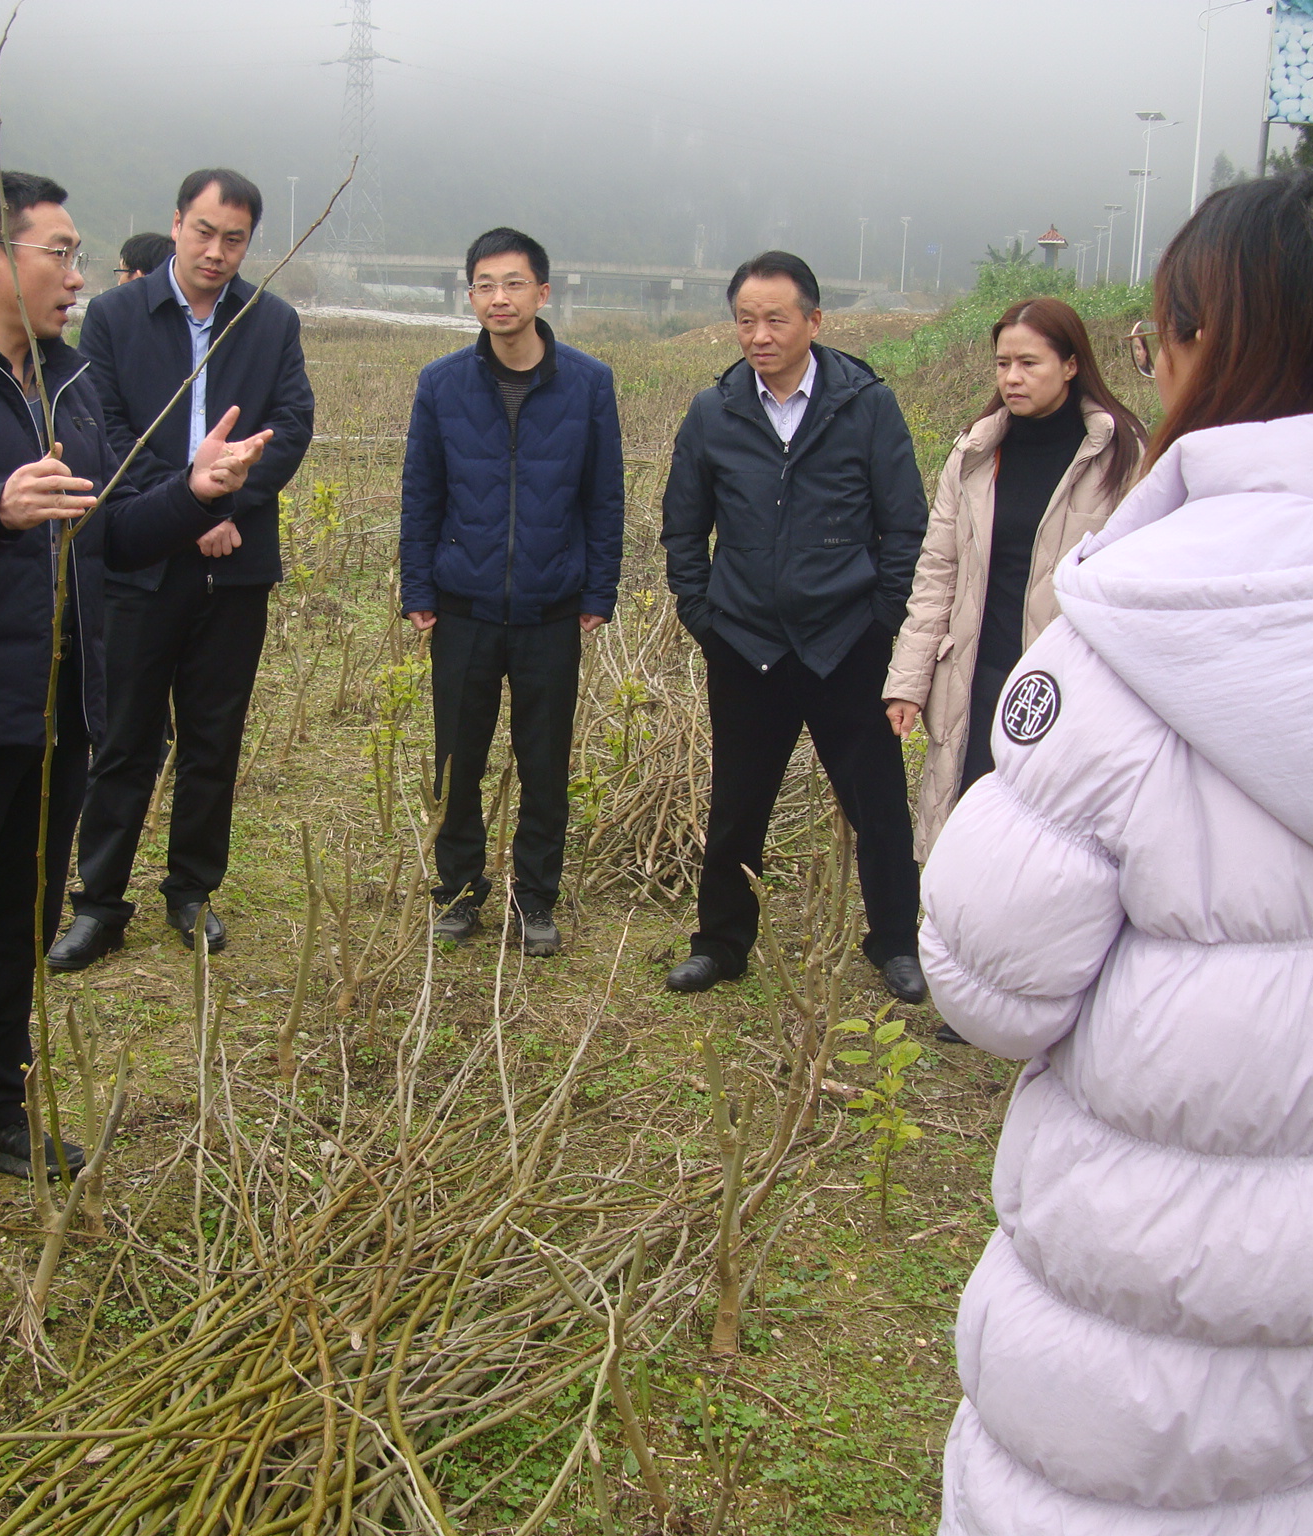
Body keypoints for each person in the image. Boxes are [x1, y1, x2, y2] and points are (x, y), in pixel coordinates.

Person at [925, 171, 1313, 1533]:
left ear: (1200, 347)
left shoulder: (1131, 630)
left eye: (1155, 343)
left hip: (1149, 1332)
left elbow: (989, 986)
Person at [0, 172, 271, 1260]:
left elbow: (116, 531)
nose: (80, 278)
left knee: (15, 928)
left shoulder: (70, 386)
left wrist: (197, 493)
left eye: (79, 257)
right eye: (59, 254)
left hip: (59, 703)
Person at [47, 169, 313, 967]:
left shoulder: (271, 323)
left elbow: (292, 425)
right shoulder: (116, 316)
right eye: (204, 231)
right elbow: (103, 430)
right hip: (139, 562)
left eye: (234, 238)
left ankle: (191, 892)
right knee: (123, 737)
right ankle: (98, 903)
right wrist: (184, 506)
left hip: (236, 569)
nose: (216, 251)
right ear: (176, 224)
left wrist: (224, 507)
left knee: (212, 738)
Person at [660, 251, 928, 1001]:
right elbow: (683, 529)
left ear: (815, 320)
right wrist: (703, 615)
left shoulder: (865, 404)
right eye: (746, 319)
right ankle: (720, 944)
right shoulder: (715, 412)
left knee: (876, 801)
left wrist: (881, 618)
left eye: (777, 318)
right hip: (746, 643)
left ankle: (896, 943)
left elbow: (905, 525)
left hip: (848, 642)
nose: (759, 334)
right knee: (737, 802)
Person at [884, 298, 1146, 1045]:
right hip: (976, 671)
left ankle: (1062, 990)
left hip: (1070, 685)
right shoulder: (974, 452)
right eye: (1003, 363)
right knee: (970, 828)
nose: (1013, 377)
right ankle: (974, 997)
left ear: (1072, 364)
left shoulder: (1123, 456)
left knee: (1061, 841)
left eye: (1030, 362)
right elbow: (936, 572)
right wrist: (908, 679)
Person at [399, 226, 625, 956]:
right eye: (485, 286)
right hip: (462, 605)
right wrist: (417, 584)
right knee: (457, 760)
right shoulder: (440, 384)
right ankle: (460, 894)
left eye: (514, 283)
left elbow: (605, 497)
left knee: (544, 762)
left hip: (549, 608)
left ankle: (535, 899)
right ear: (470, 296)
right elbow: (421, 493)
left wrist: (599, 590)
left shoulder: (589, 383)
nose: (499, 298)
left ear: (543, 292)